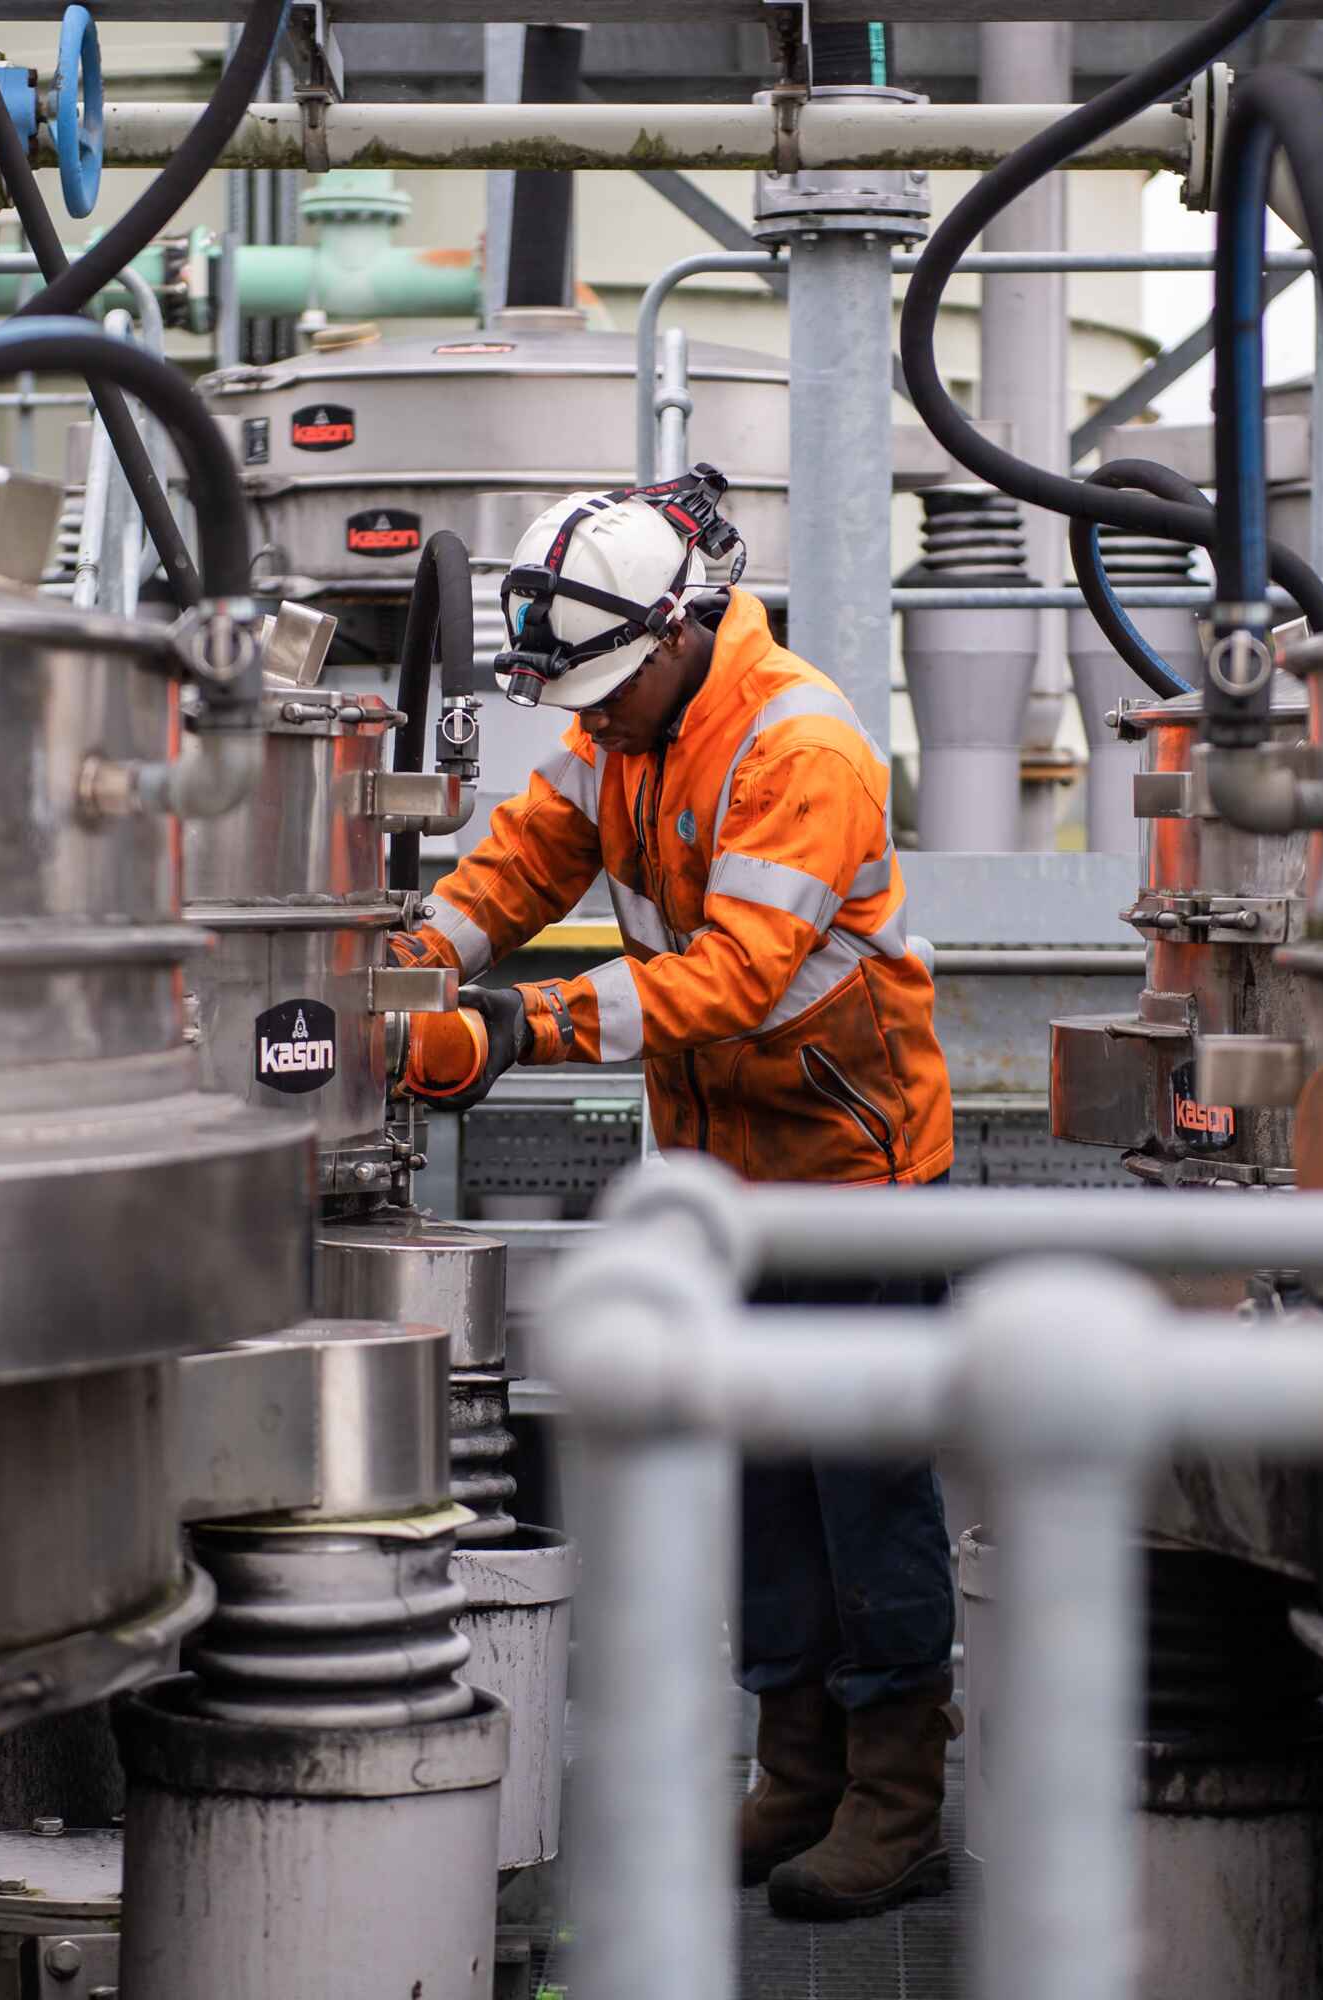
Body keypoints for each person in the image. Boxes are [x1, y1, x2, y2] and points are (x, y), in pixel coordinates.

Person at [394, 469, 961, 1921]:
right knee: (766, 1476)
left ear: (669, 635)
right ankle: (796, 1776)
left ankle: (896, 1804)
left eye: (600, 691)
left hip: (852, 1177)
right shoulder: (621, 727)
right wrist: (425, 956)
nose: (584, 719)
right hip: (722, 1181)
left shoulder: (800, 749)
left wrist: (518, 1027)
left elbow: (734, 983)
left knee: (866, 1486)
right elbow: (524, 855)